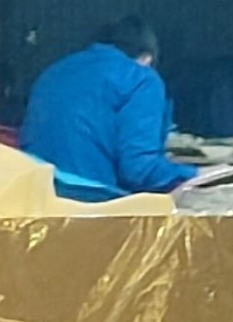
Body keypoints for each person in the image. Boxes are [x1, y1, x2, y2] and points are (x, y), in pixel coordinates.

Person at [17, 18, 198, 200]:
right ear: (147, 58)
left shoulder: (54, 71)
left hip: (35, 197)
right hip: (90, 202)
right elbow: (139, 169)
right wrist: (198, 174)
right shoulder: (140, 77)